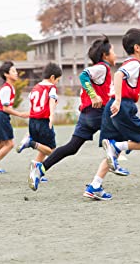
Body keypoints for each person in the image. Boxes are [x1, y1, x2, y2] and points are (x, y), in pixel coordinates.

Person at [83, 28, 140, 200]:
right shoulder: (135, 64)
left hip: (113, 107)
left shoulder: (130, 64)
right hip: (122, 108)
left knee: (111, 155)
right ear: (137, 47)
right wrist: (117, 101)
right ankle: (118, 146)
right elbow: (118, 77)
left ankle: (94, 186)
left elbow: (130, 91)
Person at [39, 37, 129, 182]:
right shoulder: (102, 67)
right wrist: (93, 96)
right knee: (123, 130)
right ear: (105, 56)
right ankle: (113, 162)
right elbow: (83, 75)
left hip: (86, 116)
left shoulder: (104, 73)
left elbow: (112, 92)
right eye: (113, 51)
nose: (116, 55)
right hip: (97, 113)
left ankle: (41, 168)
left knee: (72, 147)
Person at [21, 63, 61, 191]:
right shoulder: (52, 88)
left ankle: (35, 169)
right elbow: (51, 101)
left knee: (44, 148)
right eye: (58, 80)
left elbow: (32, 103)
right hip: (44, 121)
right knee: (52, 151)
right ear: (53, 77)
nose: (57, 83)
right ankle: (31, 143)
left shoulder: (35, 88)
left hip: (33, 120)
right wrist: (52, 115)